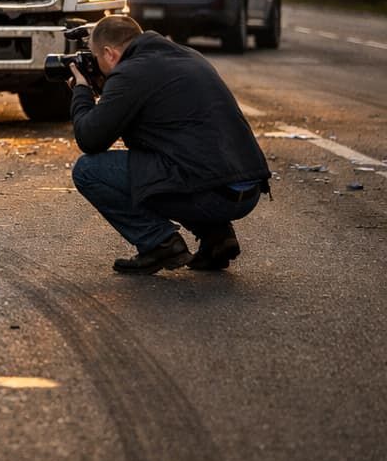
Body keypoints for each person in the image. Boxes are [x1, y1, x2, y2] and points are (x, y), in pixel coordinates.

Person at [68, 15, 270, 273]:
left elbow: (90, 139)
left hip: (212, 195)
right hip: (246, 190)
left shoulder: (131, 73)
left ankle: (159, 244)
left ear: (109, 54)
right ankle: (216, 236)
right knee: (172, 162)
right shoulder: (188, 55)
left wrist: (82, 91)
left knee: (88, 171)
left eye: (95, 58)